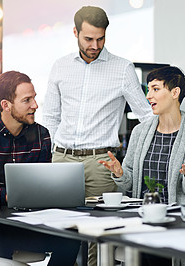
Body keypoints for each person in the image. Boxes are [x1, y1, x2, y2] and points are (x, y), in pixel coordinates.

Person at [0, 71, 80, 265]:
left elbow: (41, 191)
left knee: (72, 238)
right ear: (6, 105)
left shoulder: (42, 135)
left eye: (34, 98)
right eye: (27, 100)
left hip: (28, 225)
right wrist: (8, 195)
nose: (35, 105)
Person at [42, 5, 152, 199]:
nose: (95, 46)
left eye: (100, 39)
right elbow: (51, 116)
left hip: (101, 163)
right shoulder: (60, 66)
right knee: (55, 216)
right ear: (75, 32)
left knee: (101, 222)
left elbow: (146, 116)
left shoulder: (123, 69)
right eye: (88, 39)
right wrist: (51, 154)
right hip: (61, 159)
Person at [99, 65, 185, 208]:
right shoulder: (139, 131)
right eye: (148, 90)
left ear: (175, 93)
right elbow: (129, 184)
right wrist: (120, 173)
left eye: (156, 89)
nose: (148, 96)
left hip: (179, 215)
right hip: (141, 212)